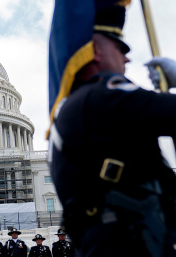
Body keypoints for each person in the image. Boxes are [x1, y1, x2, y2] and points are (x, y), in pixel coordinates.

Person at [48, 2, 176, 256]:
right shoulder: (104, 97)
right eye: (120, 48)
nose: (127, 57)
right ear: (95, 50)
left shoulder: (77, 107)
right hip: (131, 241)